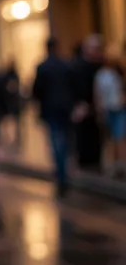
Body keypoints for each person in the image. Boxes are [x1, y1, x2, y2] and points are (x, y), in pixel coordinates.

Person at [32, 38, 77, 195]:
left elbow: (36, 91)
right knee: (64, 140)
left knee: (56, 140)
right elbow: (74, 87)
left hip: (51, 109)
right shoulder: (66, 65)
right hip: (65, 109)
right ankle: (63, 172)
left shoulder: (43, 67)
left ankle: (61, 173)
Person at [70, 35, 104, 170]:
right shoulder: (78, 66)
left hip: (95, 109)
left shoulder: (100, 66)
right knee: (85, 140)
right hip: (84, 109)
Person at [94, 54, 126, 175]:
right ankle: (112, 164)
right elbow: (98, 93)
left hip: (118, 108)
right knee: (110, 138)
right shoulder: (101, 75)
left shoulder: (118, 74)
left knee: (119, 137)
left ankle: (120, 164)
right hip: (108, 109)